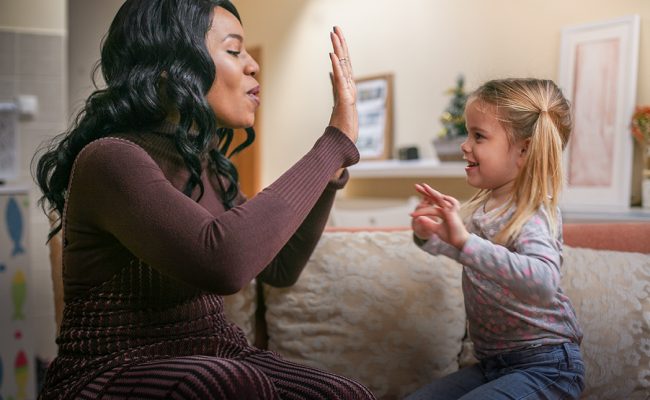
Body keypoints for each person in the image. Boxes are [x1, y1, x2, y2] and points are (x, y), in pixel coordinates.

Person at [33, 1, 375, 399]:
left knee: (344, 394)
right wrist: (333, 145)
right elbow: (223, 262)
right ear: (168, 66)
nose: (253, 65)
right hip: (111, 368)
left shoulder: (209, 165)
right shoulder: (110, 159)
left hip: (216, 354)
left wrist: (330, 174)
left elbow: (280, 268)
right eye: (233, 50)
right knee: (227, 382)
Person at [406, 78, 585, 400]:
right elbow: (474, 256)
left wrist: (465, 242)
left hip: (546, 366)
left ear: (524, 151)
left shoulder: (532, 212)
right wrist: (430, 235)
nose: (465, 145)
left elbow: (543, 281)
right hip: (492, 365)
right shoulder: (485, 208)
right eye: (468, 133)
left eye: (479, 136)